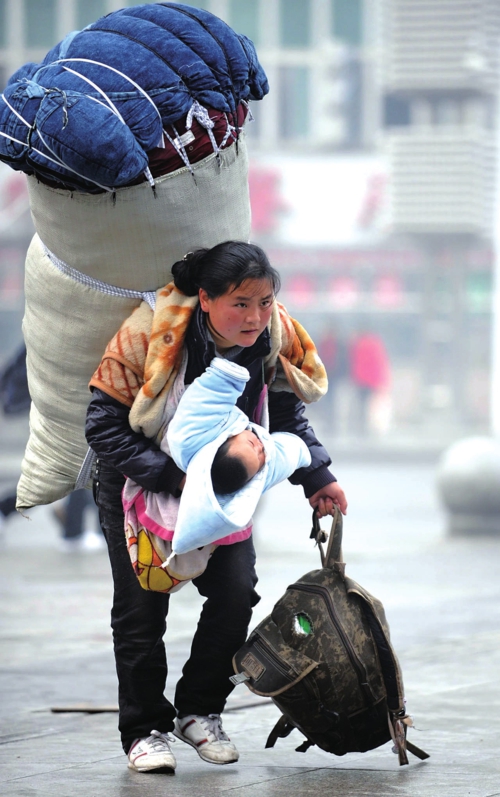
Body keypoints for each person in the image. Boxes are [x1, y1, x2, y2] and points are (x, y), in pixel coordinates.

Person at [85, 241, 347, 774]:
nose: (255, 317)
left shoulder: (271, 339)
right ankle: (144, 730)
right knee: (141, 611)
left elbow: (286, 414)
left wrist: (317, 477)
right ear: (205, 299)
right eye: (241, 303)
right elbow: (102, 426)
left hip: (221, 491)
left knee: (235, 594)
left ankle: (200, 709)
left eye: (265, 301)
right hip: (138, 484)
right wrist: (178, 479)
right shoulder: (148, 336)